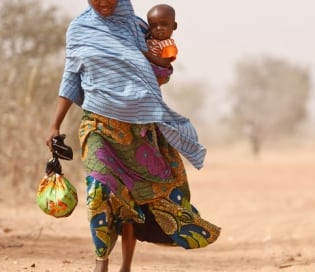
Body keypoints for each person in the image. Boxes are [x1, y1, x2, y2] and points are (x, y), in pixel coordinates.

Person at [44, 1, 220, 271]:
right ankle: (100, 263)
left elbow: (160, 76)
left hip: (138, 129)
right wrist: (55, 125)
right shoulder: (79, 29)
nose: (103, 2)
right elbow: (70, 77)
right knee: (98, 191)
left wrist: (162, 61)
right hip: (97, 125)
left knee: (132, 197)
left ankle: (125, 266)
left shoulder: (138, 28)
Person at [143, 4, 178, 85]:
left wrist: (146, 54)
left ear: (174, 26)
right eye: (153, 26)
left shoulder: (168, 45)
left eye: (164, 24)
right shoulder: (150, 39)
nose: (159, 28)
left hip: (158, 72)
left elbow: (165, 63)